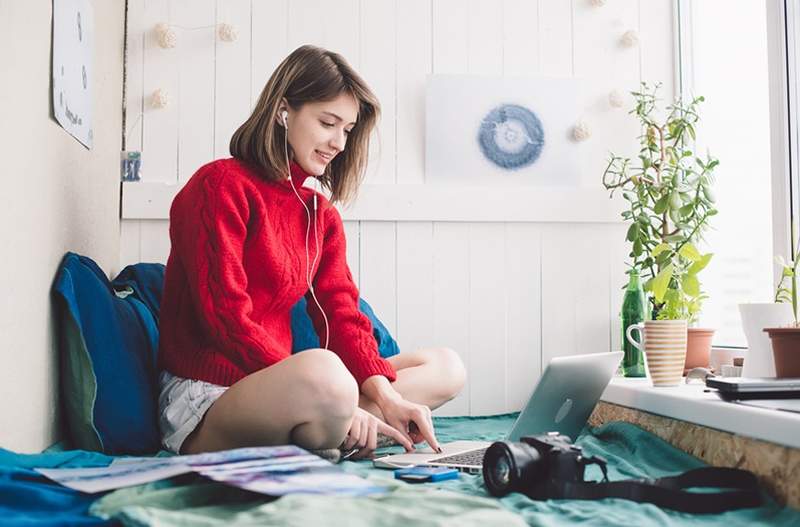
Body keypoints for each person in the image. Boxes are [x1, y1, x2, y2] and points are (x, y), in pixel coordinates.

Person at [157, 44, 466, 460]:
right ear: (284, 111)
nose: (339, 142)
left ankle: (345, 421)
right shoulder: (218, 186)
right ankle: (338, 418)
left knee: (445, 367)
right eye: (328, 122)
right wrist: (326, 389)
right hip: (210, 397)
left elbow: (342, 314)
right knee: (325, 372)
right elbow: (225, 317)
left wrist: (385, 397)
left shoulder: (320, 214)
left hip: (289, 385)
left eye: (348, 129)